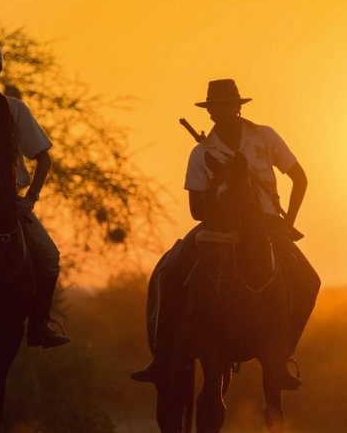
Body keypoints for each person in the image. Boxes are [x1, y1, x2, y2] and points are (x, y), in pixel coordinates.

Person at [131, 79, 319, 386]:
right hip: (218, 227)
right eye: (216, 108)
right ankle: (161, 358)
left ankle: (282, 356)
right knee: (171, 270)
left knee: (310, 281)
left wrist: (289, 221)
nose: (223, 113)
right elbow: (195, 209)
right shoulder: (200, 153)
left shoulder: (264, 136)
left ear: (238, 107)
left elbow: (300, 178)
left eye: (228, 106)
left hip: (268, 224)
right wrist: (225, 206)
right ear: (210, 113)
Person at [0, 39, 69, 348]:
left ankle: (39, 323)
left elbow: (43, 157)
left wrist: (31, 199)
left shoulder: (13, 110)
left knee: (49, 257)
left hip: (6, 203)